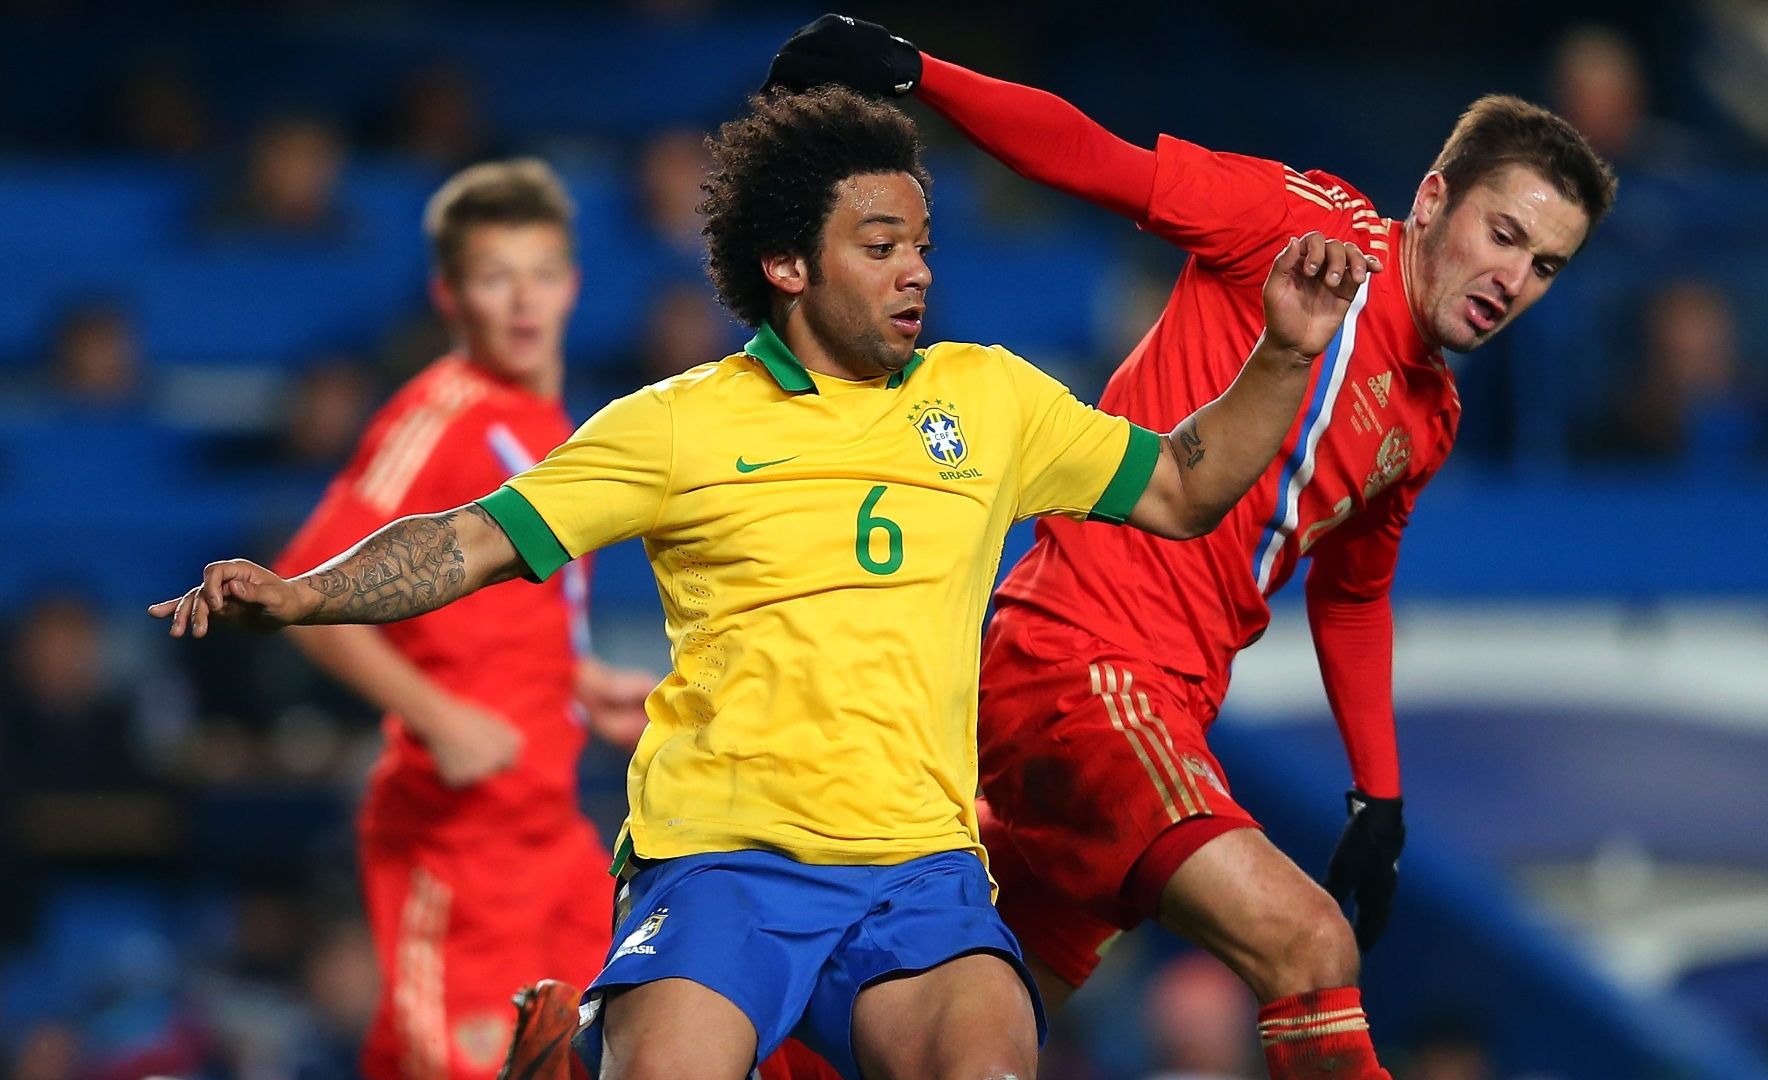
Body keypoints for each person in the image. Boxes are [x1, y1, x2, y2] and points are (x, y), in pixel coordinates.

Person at [151, 86, 1377, 1080]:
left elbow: (1183, 486)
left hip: (925, 879)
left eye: (924, 247)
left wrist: (1281, 354)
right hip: (723, 864)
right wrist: (306, 593)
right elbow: (472, 539)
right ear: (788, 266)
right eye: (880, 246)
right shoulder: (678, 426)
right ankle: (582, 1052)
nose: (916, 275)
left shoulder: (989, 399)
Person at [764, 17, 1616, 1080]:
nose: (1514, 279)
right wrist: (917, 72)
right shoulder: (1305, 231)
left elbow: (1354, 596)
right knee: (1307, 943)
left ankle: (590, 1052)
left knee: (958, 1042)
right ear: (1435, 199)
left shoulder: (1428, 414)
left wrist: (1379, 795)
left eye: (1546, 266)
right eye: (1503, 234)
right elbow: (1095, 159)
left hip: (1156, 700)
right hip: (1084, 665)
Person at [265, 158, 656, 1080]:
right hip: (455, 838)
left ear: (574, 285)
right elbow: (301, 594)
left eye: (541, 275)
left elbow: (505, 612)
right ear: (451, 294)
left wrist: (578, 681)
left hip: (551, 825)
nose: (522, 302)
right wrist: (438, 717)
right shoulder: (439, 415)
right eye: (494, 278)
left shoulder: (552, 424)